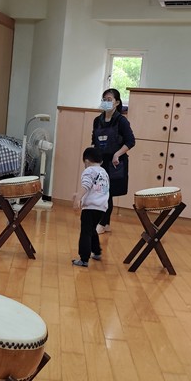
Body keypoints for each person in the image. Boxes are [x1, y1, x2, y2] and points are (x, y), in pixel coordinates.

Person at [91, 88, 135, 234]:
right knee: (101, 192)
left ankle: (102, 223)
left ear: (116, 102)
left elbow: (130, 141)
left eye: (109, 100)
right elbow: (94, 141)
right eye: (104, 100)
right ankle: (106, 224)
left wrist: (117, 154)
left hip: (115, 163)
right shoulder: (97, 121)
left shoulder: (121, 121)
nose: (106, 102)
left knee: (107, 193)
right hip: (101, 162)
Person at [72, 147, 110, 268]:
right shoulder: (104, 172)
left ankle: (84, 259)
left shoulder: (89, 171)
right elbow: (97, 189)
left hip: (90, 207)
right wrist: (80, 195)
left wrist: (78, 198)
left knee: (86, 232)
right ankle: (97, 252)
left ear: (87, 161)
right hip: (102, 208)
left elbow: (86, 185)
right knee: (92, 229)